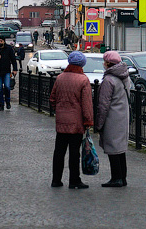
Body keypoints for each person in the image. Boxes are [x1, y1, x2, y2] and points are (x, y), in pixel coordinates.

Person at [48, 51, 94, 189]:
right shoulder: (83, 80)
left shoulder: (60, 78)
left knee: (59, 151)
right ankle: (74, 180)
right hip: (76, 121)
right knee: (74, 152)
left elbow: (52, 98)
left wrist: (59, 109)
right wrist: (88, 121)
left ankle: (56, 180)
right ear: (82, 64)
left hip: (61, 120)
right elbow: (86, 103)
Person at [96, 50, 131, 187]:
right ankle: (123, 177)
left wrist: (99, 124)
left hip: (112, 118)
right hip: (123, 116)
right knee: (120, 149)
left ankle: (116, 178)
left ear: (107, 63)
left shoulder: (109, 80)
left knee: (113, 149)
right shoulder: (125, 77)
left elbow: (103, 104)